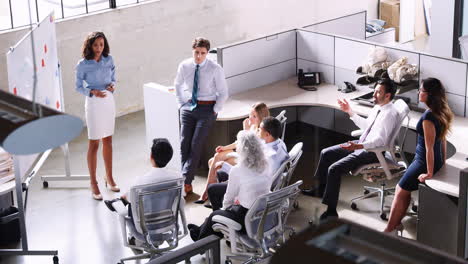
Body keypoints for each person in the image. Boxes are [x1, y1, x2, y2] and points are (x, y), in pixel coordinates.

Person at [302, 78, 399, 220]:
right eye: (375, 90)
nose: (374, 94)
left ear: (387, 96)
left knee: (334, 169)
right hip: (363, 143)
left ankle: (331, 211)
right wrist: (350, 112)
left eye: (378, 92)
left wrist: (358, 146)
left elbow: (380, 141)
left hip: (372, 152)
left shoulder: (389, 114)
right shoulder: (378, 107)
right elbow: (367, 126)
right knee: (326, 153)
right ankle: (321, 190)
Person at [384, 78, 453, 233]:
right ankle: (395, 224)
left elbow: (429, 148)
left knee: (400, 189)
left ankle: (389, 229)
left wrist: (429, 173)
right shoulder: (442, 111)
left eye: (421, 90)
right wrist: (442, 162)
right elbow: (442, 140)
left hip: (423, 161)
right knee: (403, 189)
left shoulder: (428, 117)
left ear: (429, 95)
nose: (418, 92)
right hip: (430, 160)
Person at [188, 130, 270, 241]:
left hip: (246, 220)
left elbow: (229, 198)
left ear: (242, 149)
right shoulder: (265, 164)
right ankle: (199, 230)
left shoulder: (238, 170)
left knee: (215, 215)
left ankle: (200, 242)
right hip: (263, 215)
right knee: (217, 215)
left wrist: (224, 211)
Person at [174, 37, 229, 195]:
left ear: (207, 53)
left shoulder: (215, 68)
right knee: (184, 143)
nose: (198, 56)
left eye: (202, 53)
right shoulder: (184, 66)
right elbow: (177, 84)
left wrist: (215, 109)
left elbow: (223, 92)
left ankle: (185, 181)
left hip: (207, 109)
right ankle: (186, 180)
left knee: (196, 144)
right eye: (196, 52)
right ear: (193, 51)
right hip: (189, 107)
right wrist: (181, 104)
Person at [207, 117, 289, 211]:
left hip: (256, 189)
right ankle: (222, 200)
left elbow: (248, 175)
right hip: (260, 180)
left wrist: (226, 166)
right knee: (221, 173)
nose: (257, 132)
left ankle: (220, 212)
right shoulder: (280, 143)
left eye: (259, 130)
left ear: (267, 134)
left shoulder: (268, 156)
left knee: (212, 187)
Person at [195, 102, 270, 203]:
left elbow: (248, 151)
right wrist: (224, 147)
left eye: (254, 116)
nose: (250, 119)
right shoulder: (253, 127)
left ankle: (207, 192)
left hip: (248, 161)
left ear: (261, 117)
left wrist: (245, 131)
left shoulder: (261, 132)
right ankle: (213, 192)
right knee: (213, 160)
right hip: (242, 155)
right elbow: (238, 143)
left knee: (214, 160)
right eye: (250, 115)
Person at [103, 138, 186, 227]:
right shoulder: (178, 178)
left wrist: (125, 197)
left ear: (151, 156)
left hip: (144, 226)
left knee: (132, 201)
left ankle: (119, 201)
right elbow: (182, 197)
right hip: (168, 222)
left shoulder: (140, 182)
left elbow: (132, 201)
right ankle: (120, 200)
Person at [75, 31, 118, 200]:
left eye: (101, 44)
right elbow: (78, 86)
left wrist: (112, 86)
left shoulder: (109, 59)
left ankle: (109, 176)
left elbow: (113, 78)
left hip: (108, 100)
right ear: (90, 46)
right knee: (94, 143)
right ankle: (94, 182)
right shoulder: (82, 64)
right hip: (93, 102)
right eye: (95, 45)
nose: (99, 48)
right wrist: (91, 92)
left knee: (108, 140)